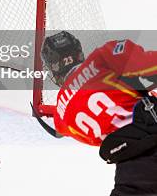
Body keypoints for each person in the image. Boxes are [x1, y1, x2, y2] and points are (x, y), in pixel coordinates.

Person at [41, 31, 157, 196]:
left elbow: (66, 132)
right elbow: (150, 64)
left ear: (53, 67)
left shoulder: (61, 113)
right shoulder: (102, 56)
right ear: (79, 53)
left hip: (132, 172)